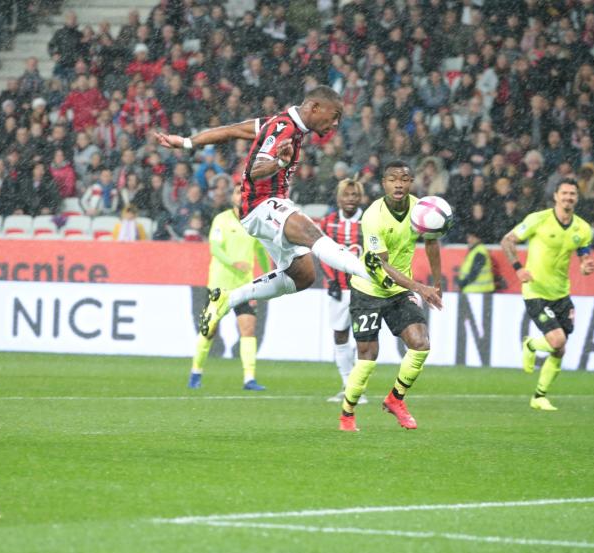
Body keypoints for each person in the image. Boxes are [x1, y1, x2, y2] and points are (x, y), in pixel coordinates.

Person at [155, 86, 374, 340]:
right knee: (310, 232)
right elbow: (255, 170)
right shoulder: (285, 128)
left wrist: (186, 142)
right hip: (261, 205)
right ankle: (369, 273)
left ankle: (227, 299)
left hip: (267, 207)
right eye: (334, 115)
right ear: (314, 108)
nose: (335, 123)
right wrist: (279, 163)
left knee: (303, 276)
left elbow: (233, 130)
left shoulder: (280, 123)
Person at [338, 161, 444, 432]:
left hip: (398, 292)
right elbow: (382, 264)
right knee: (368, 356)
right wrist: (421, 288)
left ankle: (395, 399)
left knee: (420, 344)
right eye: (393, 179)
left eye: (405, 179)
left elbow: (431, 241)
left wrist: (437, 282)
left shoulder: (422, 210)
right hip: (368, 289)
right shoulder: (373, 216)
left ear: (411, 183)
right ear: (384, 183)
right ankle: (347, 414)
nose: (399, 184)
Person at [500, 179, 594, 411]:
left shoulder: (582, 228)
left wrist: (586, 266)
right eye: (564, 193)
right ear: (555, 196)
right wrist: (518, 268)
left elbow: (584, 255)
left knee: (559, 349)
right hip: (535, 291)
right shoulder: (538, 219)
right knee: (558, 340)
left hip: (561, 293)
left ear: (577, 198)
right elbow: (507, 241)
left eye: (572, 194)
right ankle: (531, 345)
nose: (568, 197)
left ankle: (539, 396)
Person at [188, 184, 270, 392]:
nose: (240, 196)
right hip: (220, 286)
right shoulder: (221, 220)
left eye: (244, 192)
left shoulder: (255, 222)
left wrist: (269, 276)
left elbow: (261, 249)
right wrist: (234, 263)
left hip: (245, 287)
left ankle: (249, 378)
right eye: (237, 192)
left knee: (248, 329)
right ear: (233, 197)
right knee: (209, 331)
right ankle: (196, 372)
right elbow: (215, 248)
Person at [320, 177, 368, 404]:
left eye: (355, 195)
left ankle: (358, 389)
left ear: (360, 198)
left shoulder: (368, 223)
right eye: (347, 195)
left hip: (364, 289)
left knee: (364, 337)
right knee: (340, 334)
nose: (351, 199)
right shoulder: (327, 223)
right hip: (338, 289)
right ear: (338, 198)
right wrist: (330, 280)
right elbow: (319, 252)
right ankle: (347, 384)